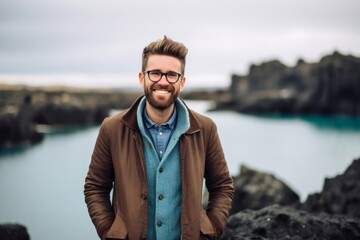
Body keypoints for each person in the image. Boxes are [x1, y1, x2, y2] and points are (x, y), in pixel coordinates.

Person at [84, 36, 234, 240]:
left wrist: (211, 229)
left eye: (172, 75)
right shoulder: (112, 128)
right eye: (154, 73)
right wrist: (110, 232)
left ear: (182, 82)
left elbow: (222, 186)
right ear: (141, 78)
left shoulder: (205, 129)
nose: (163, 82)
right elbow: (95, 188)